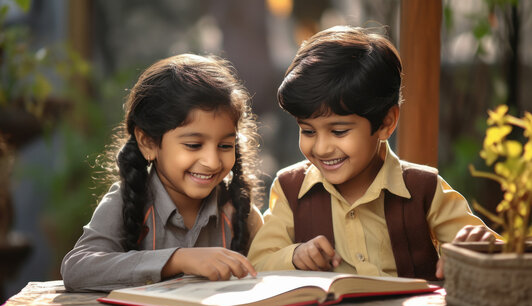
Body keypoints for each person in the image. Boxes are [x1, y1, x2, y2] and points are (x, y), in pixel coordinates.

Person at [247, 26, 497, 280]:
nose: (321, 148)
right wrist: (295, 255)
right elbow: (257, 262)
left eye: (339, 131)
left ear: (386, 122)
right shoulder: (290, 190)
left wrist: (478, 246)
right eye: (308, 131)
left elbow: (497, 255)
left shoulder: (425, 189)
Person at [62, 54, 263, 292]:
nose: (211, 162)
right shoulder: (126, 201)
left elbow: (267, 273)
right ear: (148, 143)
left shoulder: (239, 212)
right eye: (193, 145)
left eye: (225, 146)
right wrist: (178, 259)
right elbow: (77, 268)